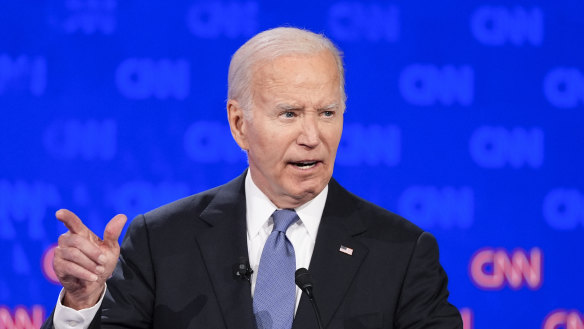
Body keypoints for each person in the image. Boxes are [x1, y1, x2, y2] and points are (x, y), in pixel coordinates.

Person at [43, 27, 462, 329]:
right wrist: (83, 303)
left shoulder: (403, 253)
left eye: (328, 113)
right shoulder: (161, 240)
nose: (312, 137)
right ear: (239, 123)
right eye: (289, 114)